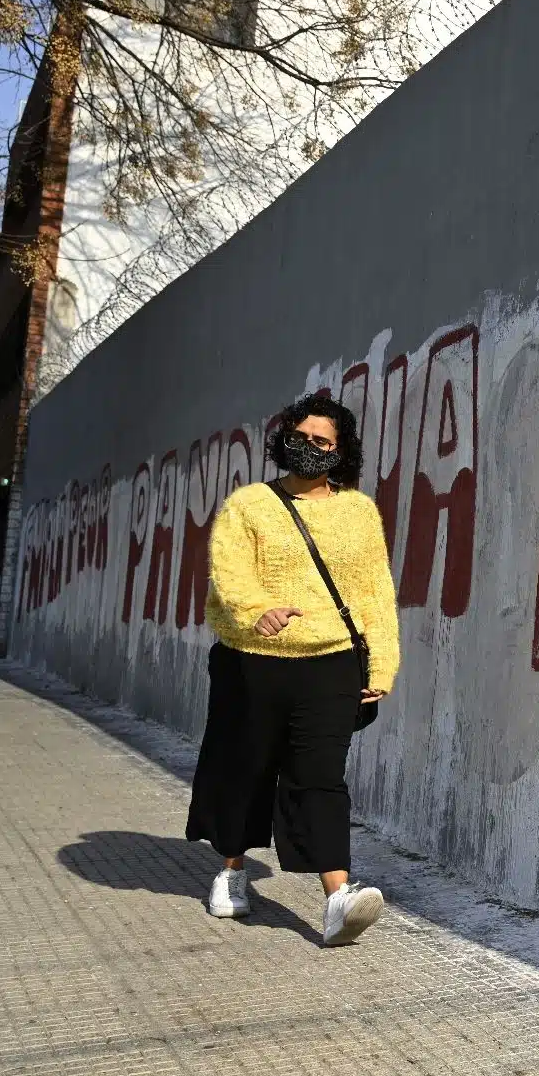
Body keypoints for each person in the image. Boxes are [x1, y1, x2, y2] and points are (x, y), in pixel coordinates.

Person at [185, 393, 400, 946]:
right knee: (245, 768)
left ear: (339, 450)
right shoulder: (249, 505)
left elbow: (376, 594)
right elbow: (229, 573)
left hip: (331, 664)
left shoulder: (358, 511)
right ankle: (233, 873)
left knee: (320, 777)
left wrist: (381, 663)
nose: (308, 447)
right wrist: (260, 610)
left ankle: (337, 898)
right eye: (300, 437)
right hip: (251, 662)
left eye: (321, 441)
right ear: (284, 439)